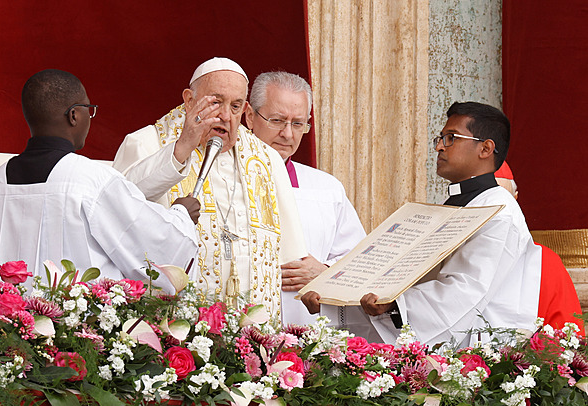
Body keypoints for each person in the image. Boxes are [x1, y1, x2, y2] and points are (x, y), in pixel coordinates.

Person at [303, 102, 542, 347]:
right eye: (440, 138)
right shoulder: (451, 203)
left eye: (451, 138)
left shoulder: (499, 213)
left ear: (485, 148)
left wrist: (394, 305)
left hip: (474, 353)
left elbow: (465, 290)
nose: (439, 146)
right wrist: (335, 294)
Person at [0, 69, 200, 290]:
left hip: (3, 331)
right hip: (72, 331)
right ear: (74, 115)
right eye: (89, 108)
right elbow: (155, 248)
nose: (90, 116)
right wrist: (181, 215)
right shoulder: (90, 181)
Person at [112, 58, 307, 320]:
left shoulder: (266, 159)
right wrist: (182, 149)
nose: (225, 116)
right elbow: (120, 207)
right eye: (215, 102)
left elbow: (286, 263)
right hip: (174, 327)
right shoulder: (146, 142)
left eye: (235, 106)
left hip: (248, 331)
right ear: (189, 100)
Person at [245, 71, 366, 325]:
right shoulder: (221, 179)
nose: (288, 134)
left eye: (298, 123)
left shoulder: (326, 189)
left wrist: (324, 273)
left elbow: (360, 264)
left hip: (306, 336)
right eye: (277, 120)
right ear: (249, 117)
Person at [495, 162, 584, 333]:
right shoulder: (448, 256)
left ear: (515, 199)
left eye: (503, 201)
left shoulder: (546, 262)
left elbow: (566, 338)